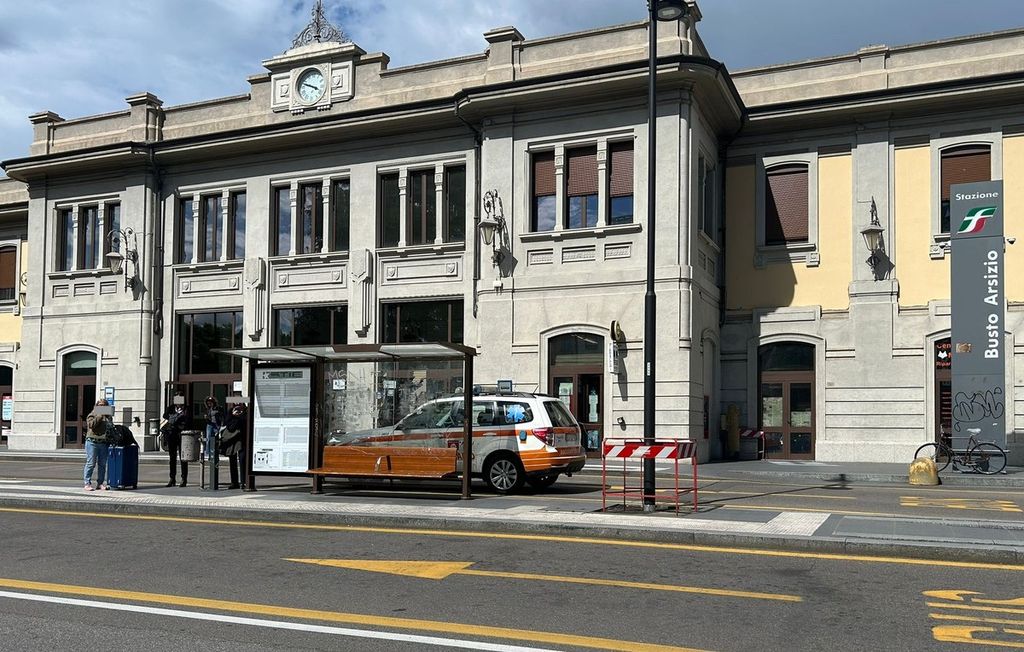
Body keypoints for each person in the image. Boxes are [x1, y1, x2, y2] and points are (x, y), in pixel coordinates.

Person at [83, 399, 112, 491]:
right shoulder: (92, 414)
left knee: (102, 464)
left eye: (104, 405)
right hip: (92, 442)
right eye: (100, 405)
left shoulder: (108, 417)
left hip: (103, 443)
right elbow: (91, 425)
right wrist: (99, 415)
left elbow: (110, 428)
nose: (102, 407)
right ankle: (87, 483)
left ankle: (100, 483)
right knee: (91, 463)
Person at [161, 396, 190, 487]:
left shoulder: (186, 409)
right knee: (172, 457)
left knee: (183, 458)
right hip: (172, 434)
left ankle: (184, 479)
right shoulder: (171, 408)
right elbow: (165, 416)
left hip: (182, 434)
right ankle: (172, 478)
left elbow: (188, 421)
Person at [221, 402, 248, 489]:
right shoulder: (230, 412)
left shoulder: (247, 412)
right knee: (232, 461)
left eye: (239, 403)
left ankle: (244, 482)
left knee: (243, 460)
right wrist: (234, 416)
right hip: (233, 440)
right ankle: (234, 482)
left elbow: (246, 423)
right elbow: (230, 427)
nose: (238, 405)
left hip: (243, 439)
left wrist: (239, 416)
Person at [203, 396, 223, 467]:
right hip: (210, 424)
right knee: (208, 438)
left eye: (210, 403)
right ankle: (208, 454)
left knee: (216, 439)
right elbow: (207, 417)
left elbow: (222, 416)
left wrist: (221, 424)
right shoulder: (208, 409)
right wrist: (206, 418)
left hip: (217, 425)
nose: (209, 404)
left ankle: (217, 453)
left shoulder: (218, 408)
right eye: (208, 403)